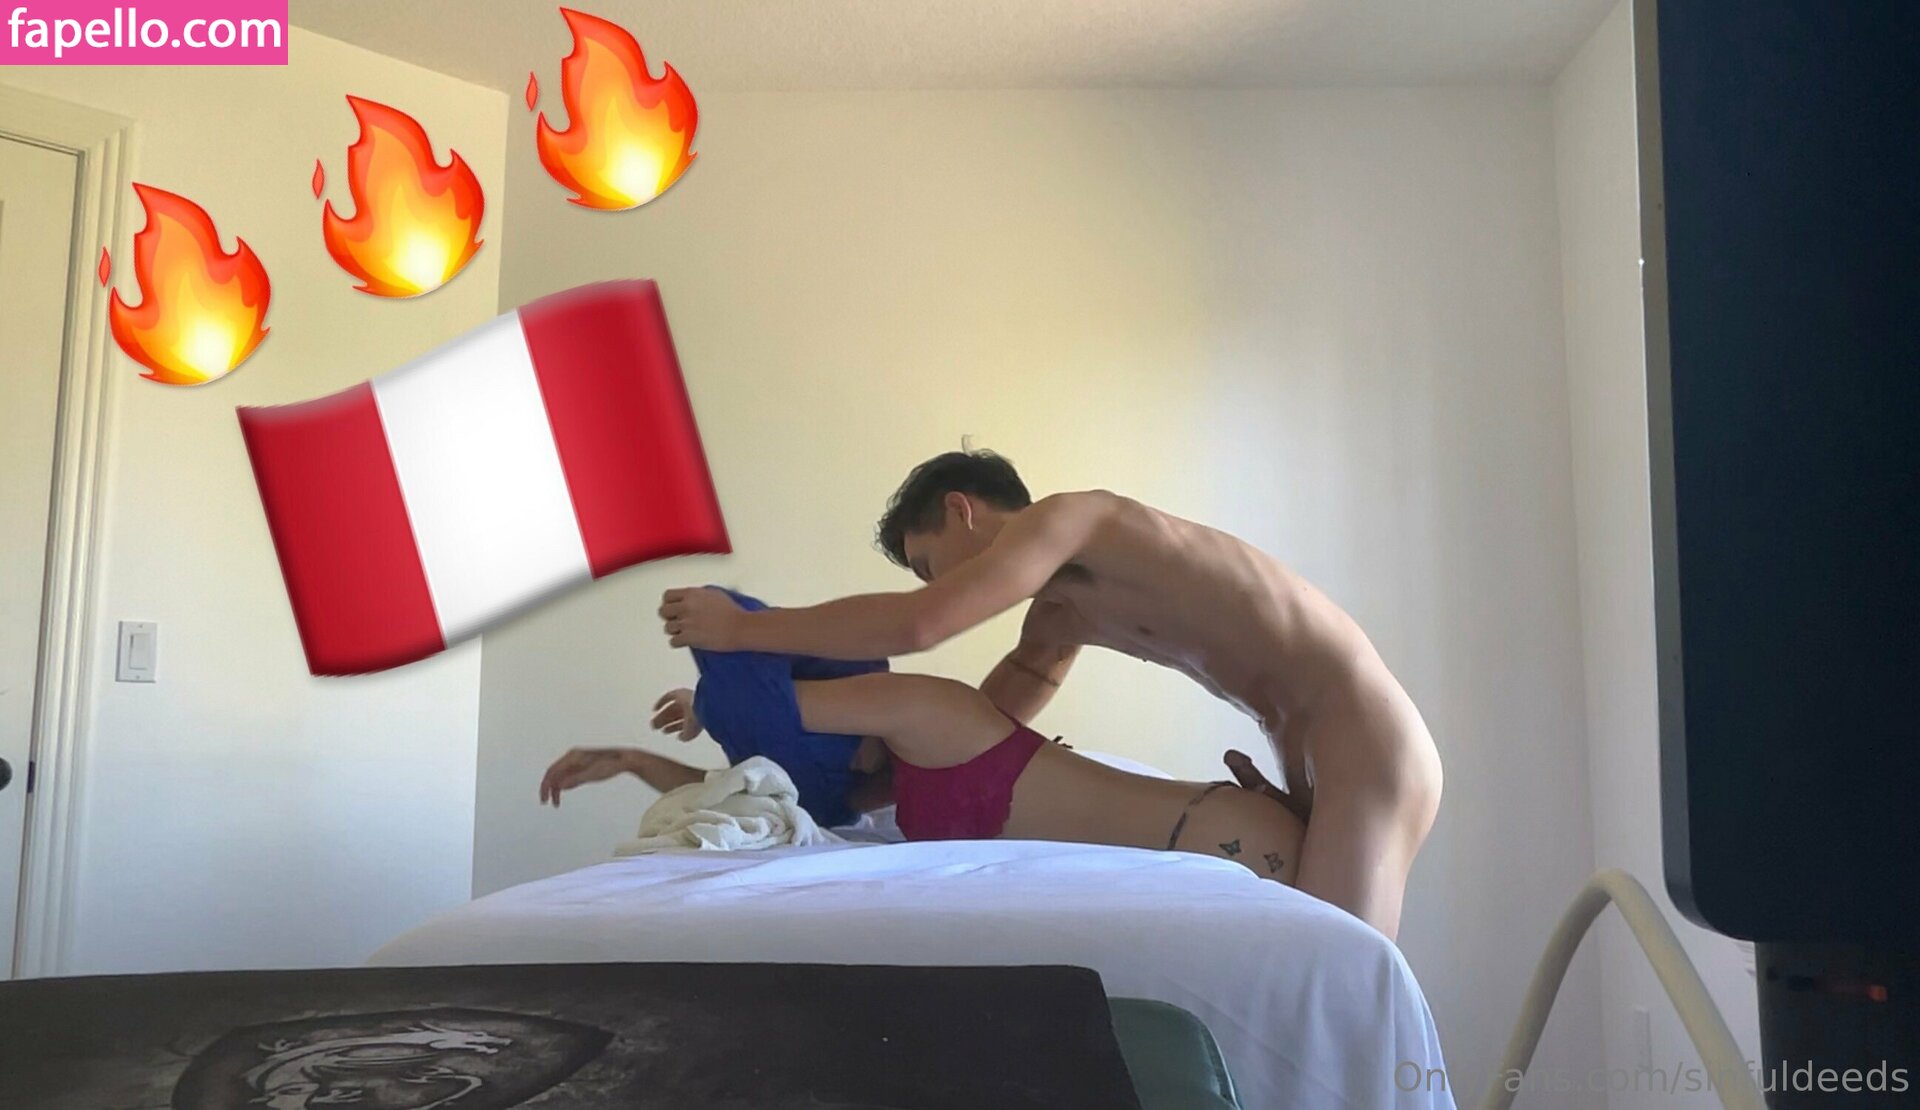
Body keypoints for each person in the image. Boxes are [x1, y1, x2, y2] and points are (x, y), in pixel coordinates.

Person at [656, 450, 1441, 939]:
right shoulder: (1063, 612)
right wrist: (838, 751)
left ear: (960, 510)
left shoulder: (1077, 519)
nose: (938, 583)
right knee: (1315, 976)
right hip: (1302, 754)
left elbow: (922, 624)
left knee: (1344, 974)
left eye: (930, 562)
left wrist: (743, 631)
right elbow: (985, 724)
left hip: (1360, 734)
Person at [541, 667, 1304, 884]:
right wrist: (633, 762)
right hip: (1210, 844)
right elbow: (754, 795)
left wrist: (706, 702)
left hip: (1218, 837)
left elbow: (769, 704)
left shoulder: (933, 711)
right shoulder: (888, 786)